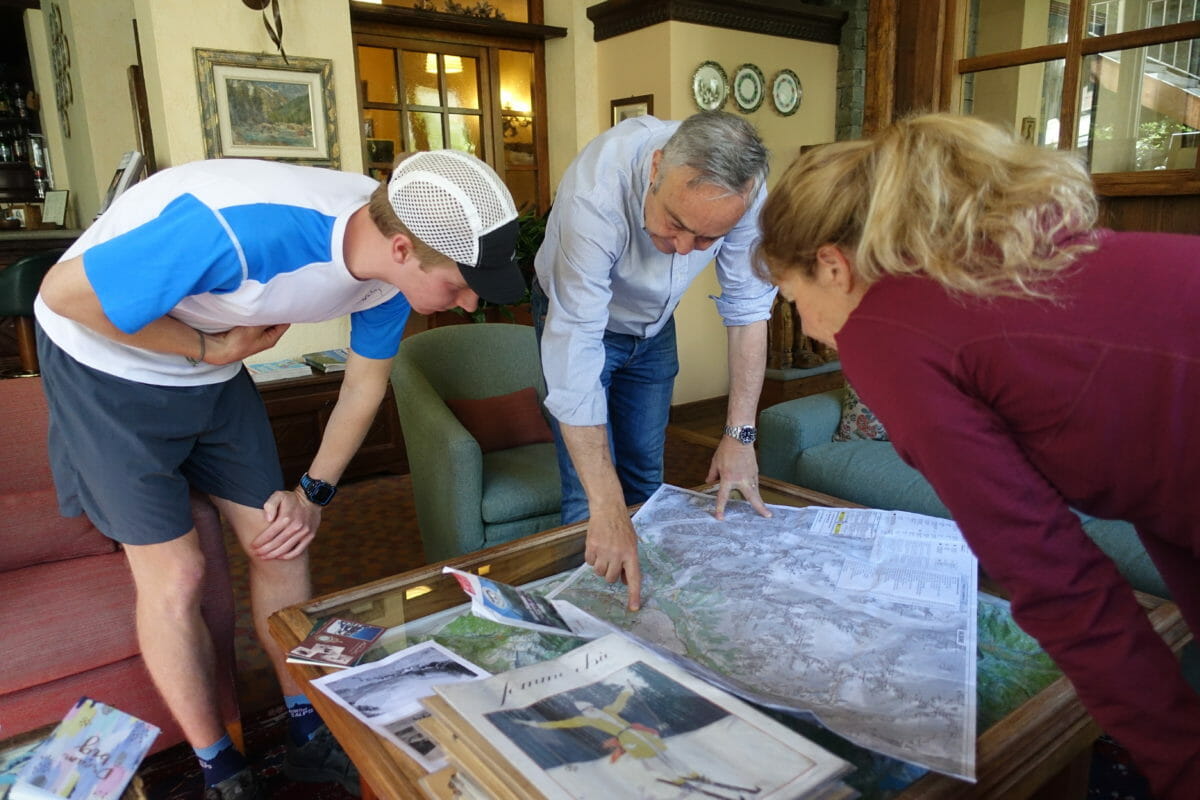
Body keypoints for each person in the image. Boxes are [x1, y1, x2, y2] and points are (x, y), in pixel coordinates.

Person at [33, 150, 525, 800]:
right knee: (178, 575)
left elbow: (363, 386)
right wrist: (211, 348)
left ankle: (305, 731)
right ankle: (219, 767)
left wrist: (314, 493)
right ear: (404, 248)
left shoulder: (389, 262)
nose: (465, 305)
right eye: (460, 286)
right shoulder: (238, 227)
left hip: (215, 369)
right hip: (106, 367)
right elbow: (62, 294)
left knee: (283, 538)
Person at [755, 112, 1200, 799]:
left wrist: (1182, 769)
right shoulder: (1012, 255)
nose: (811, 331)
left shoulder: (884, 330)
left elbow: (1053, 574)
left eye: (795, 302)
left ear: (832, 267)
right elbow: (1148, 462)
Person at [532, 111, 777, 611]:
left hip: (655, 323)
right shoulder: (593, 195)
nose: (683, 251)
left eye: (706, 240)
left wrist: (740, 434)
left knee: (647, 478)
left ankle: (646, 610)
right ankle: (583, 621)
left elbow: (748, 308)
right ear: (656, 168)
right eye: (676, 226)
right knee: (591, 500)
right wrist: (608, 507)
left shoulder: (747, 195)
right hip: (581, 318)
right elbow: (577, 344)